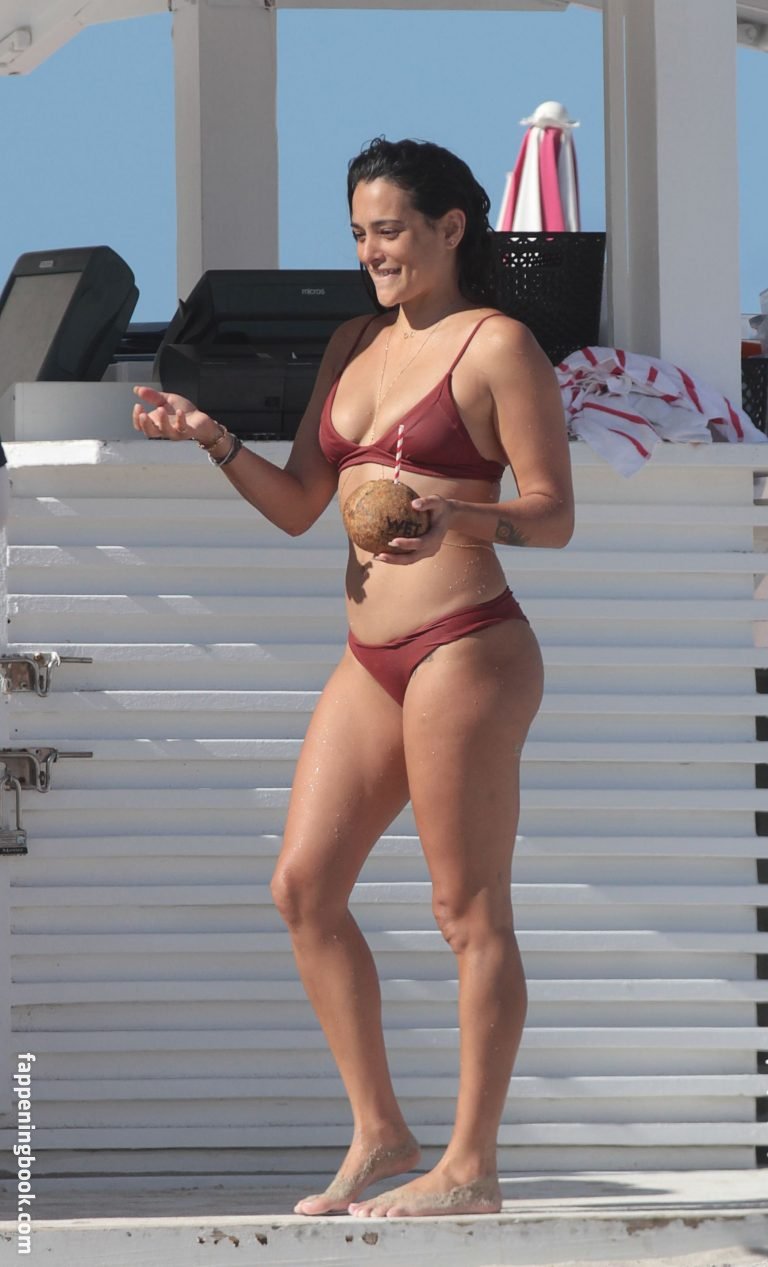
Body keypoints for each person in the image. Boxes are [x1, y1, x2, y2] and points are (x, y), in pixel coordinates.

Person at [133, 136, 574, 1219]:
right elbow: (300, 506)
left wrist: (459, 513)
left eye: (390, 230)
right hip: (370, 656)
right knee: (304, 887)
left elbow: (554, 515)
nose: (372, 252)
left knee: (466, 907)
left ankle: (470, 1167)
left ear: (450, 228)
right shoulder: (352, 342)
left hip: (468, 643)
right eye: (359, 234)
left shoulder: (498, 345)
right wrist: (212, 437)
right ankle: (382, 1128)